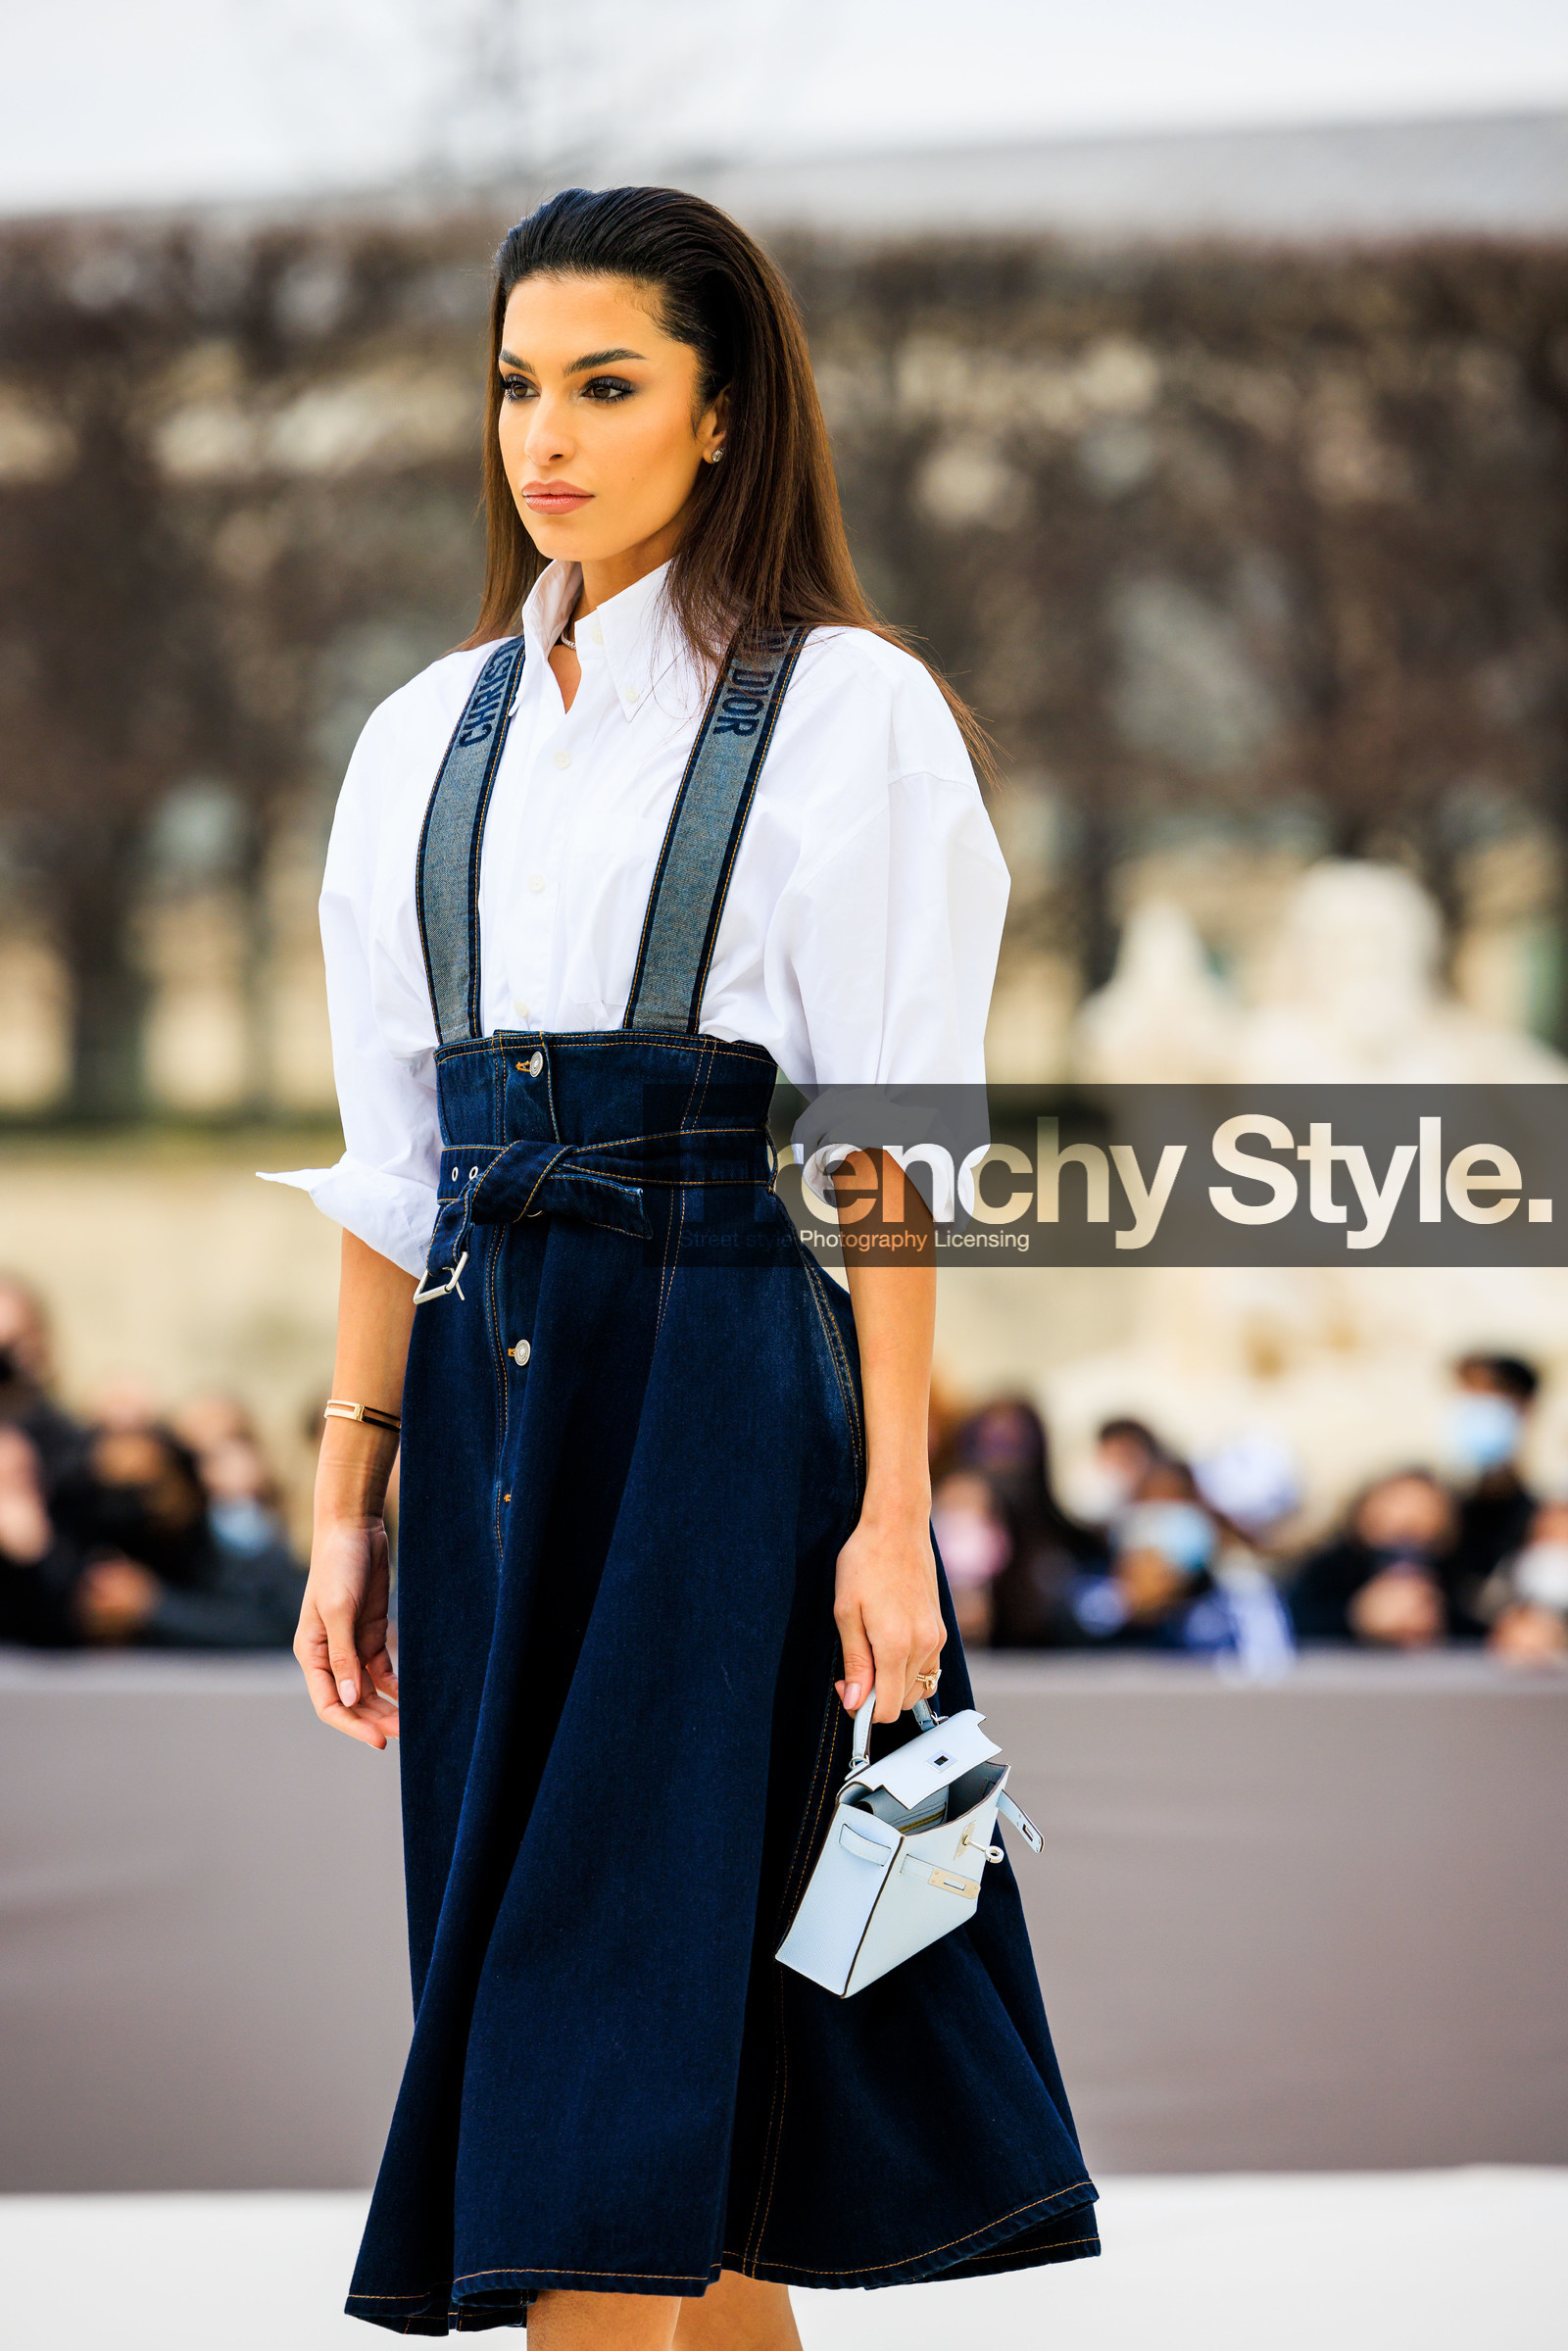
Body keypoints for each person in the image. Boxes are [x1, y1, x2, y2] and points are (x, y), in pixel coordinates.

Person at [262, 186, 1099, 2344]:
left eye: (607, 385)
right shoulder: (415, 740)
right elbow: (396, 1165)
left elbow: (889, 1153)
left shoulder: (848, 712)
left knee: (598, 2041)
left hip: (726, 1400)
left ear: (724, 415)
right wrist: (343, 1496)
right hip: (478, 1428)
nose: (543, 432)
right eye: (516, 384)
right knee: (662, 2093)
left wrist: (894, 1510)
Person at [1284, 1470, 1460, 1647]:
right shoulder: (1328, 1569)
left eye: (1425, 1509)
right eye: (1395, 1503)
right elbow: (1289, 1623)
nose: (1407, 1519)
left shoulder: (1454, 1572)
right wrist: (1357, 1618)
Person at [1447, 1352, 1540, 1621]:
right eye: (1468, 1396)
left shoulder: (1544, 1518)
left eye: (1489, 1397)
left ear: (1524, 1409)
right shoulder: (1437, 1513)